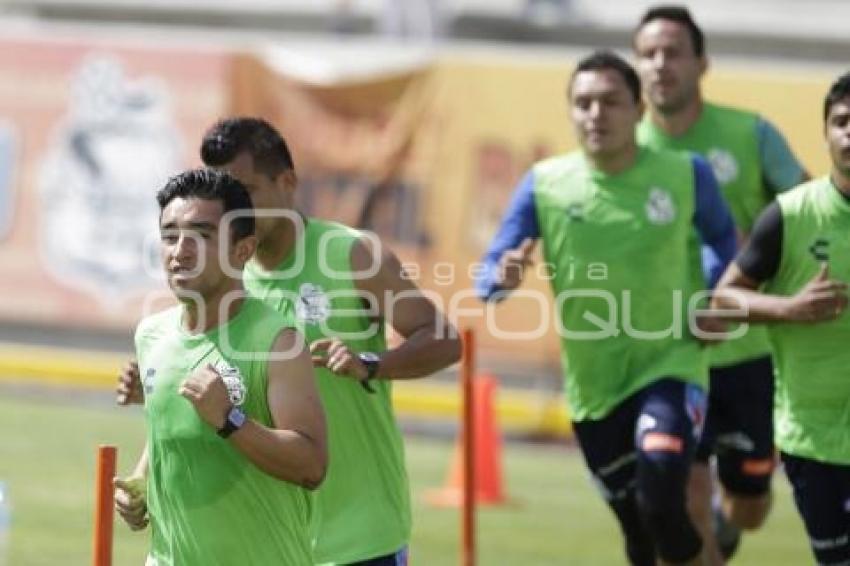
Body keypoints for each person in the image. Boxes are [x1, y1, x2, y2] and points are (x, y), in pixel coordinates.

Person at [119, 118, 462, 565]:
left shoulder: (349, 254)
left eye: (247, 190)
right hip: (260, 534)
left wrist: (372, 363)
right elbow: (202, 403)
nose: (237, 208)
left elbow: (443, 341)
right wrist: (144, 473)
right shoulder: (219, 279)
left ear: (287, 183)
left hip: (355, 532)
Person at [475, 51, 737, 565]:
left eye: (611, 102)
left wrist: (713, 291)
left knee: (663, 488)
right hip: (593, 387)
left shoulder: (685, 173)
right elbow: (491, 271)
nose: (596, 114)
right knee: (640, 534)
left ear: (639, 110)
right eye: (584, 103)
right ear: (570, 111)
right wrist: (500, 279)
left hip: (670, 362)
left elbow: (722, 237)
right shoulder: (545, 183)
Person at [633, 6, 810, 561]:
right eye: (648, 53)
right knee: (681, 486)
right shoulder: (621, 151)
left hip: (751, 353)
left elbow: (813, 216)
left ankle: (729, 515)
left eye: (673, 52)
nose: (660, 65)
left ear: (701, 62)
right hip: (672, 357)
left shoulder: (750, 135)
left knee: (748, 503)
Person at [114, 168, 327, 565]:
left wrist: (230, 420)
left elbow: (311, 466)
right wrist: (141, 483)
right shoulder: (151, 336)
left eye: (201, 236)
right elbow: (169, 434)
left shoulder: (278, 341)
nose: (180, 251)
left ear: (243, 250)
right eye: (170, 235)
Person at [712, 71, 850, 566]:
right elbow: (725, 299)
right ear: (826, 133)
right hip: (812, 440)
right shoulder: (790, 216)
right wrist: (789, 309)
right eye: (842, 121)